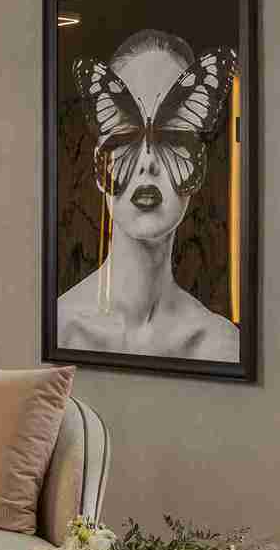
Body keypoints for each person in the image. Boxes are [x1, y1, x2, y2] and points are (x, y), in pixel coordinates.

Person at [57, 27, 239, 360]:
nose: (148, 161)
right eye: (125, 132)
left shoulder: (222, 347)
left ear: (198, 163)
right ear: (100, 160)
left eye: (173, 134)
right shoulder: (59, 329)